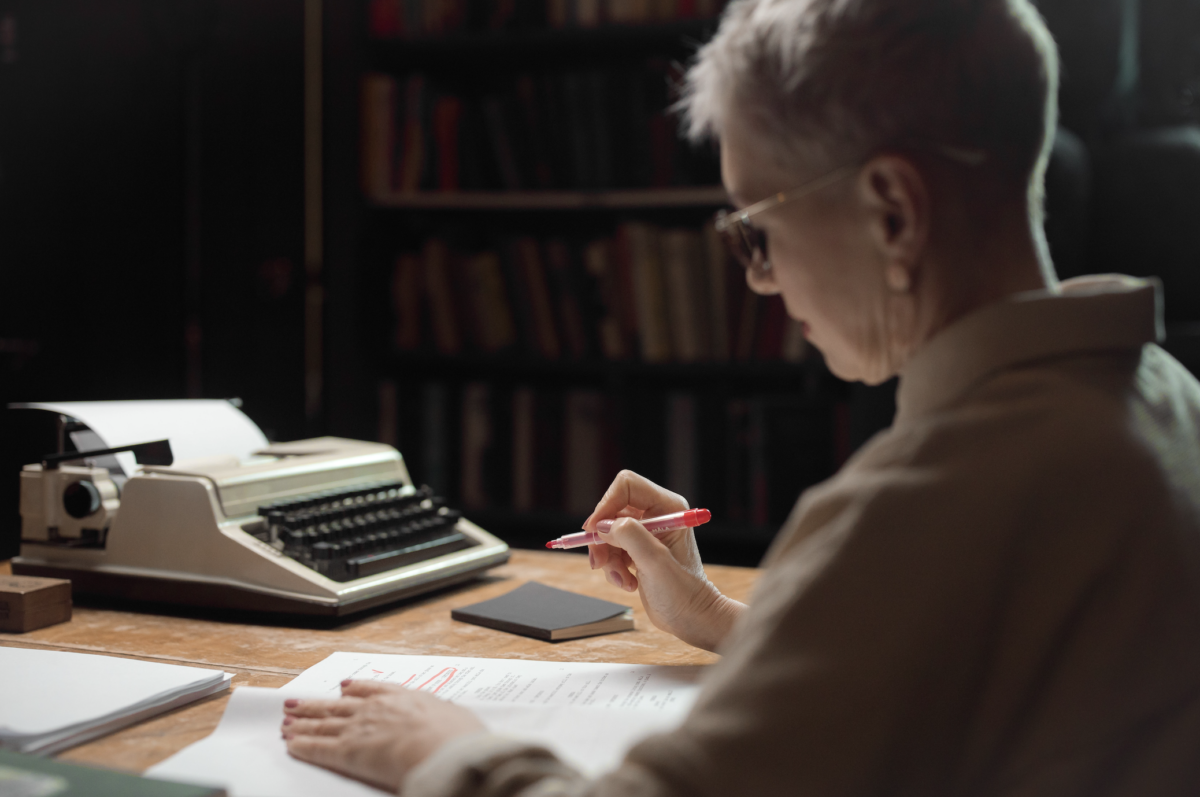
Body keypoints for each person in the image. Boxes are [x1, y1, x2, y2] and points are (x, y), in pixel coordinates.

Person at [280, 0, 1200, 793]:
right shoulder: (1163, 401)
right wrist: (727, 621)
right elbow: (972, 662)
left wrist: (448, 753)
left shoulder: (924, 507)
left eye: (758, 229)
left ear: (891, 213)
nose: (761, 284)